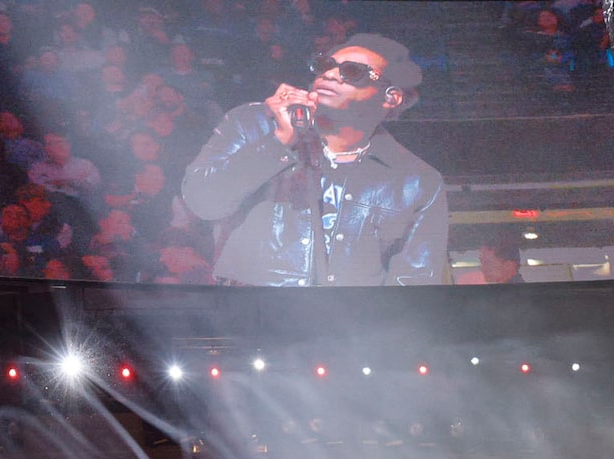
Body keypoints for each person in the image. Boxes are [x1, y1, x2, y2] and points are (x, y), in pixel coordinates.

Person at [177, 35, 448, 285]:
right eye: (324, 65)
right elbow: (203, 202)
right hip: (252, 320)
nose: (330, 75)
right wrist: (280, 140)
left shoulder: (416, 180)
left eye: (352, 72)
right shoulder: (254, 124)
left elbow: (414, 282)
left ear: (391, 97)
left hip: (346, 331)